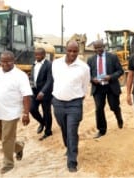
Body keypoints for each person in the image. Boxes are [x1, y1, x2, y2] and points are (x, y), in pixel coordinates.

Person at [51, 40, 90, 172]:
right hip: (58, 103)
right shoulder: (56, 64)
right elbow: (55, 80)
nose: (72, 53)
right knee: (64, 129)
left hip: (74, 104)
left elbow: (85, 86)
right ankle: (69, 147)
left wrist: (79, 97)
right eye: (70, 50)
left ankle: (72, 161)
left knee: (72, 131)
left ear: (78, 52)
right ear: (65, 50)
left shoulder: (84, 67)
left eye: (75, 51)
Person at [87, 40, 124, 139]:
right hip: (98, 87)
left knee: (114, 106)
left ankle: (119, 117)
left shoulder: (112, 57)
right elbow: (87, 74)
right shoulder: (90, 60)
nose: (98, 49)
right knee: (99, 108)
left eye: (100, 47)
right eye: (96, 48)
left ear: (104, 46)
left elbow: (120, 71)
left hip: (111, 86)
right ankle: (102, 130)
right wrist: (92, 79)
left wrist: (110, 77)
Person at [29, 47, 53, 141]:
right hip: (34, 92)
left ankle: (48, 131)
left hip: (45, 93)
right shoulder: (34, 64)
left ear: (43, 55)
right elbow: (32, 77)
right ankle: (42, 122)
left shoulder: (49, 65)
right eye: (35, 54)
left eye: (39, 54)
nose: (37, 56)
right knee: (32, 109)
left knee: (46, 112)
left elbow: (50, 80)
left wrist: (43, 92)